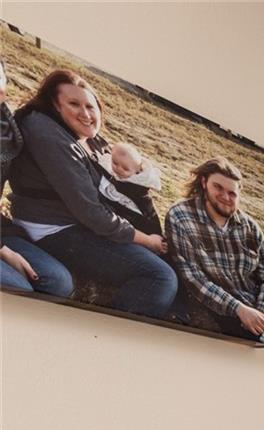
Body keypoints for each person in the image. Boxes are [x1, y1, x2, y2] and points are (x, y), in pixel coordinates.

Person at [6, 68, 175, 316]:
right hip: (53, 228)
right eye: (74, 104)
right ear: (54, 105)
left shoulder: (84, 136)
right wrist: (145, 239)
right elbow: (91, 212)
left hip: (78, 224)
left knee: (167, 265)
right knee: (160, 277)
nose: (85, 114)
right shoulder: (47, 133)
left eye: (90, 106)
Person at [165, 157, 264, 344]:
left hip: (258, 303)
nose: (225, 196)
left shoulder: (250, 227)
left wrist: (262, 311)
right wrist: (239, 309)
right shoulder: (180, 217)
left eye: (232, 193)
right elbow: (192, 277)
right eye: (218, 188)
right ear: (204, 182)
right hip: (223, 307)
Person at [0, 57, 73, 297]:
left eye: (1, 89)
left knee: (58, 281)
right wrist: (5, 252)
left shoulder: (7, 132)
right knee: (17, 289)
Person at [96, 142, 163, 236]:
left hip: (135, 212)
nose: (118, 168)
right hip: (119, 214)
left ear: (137, 171)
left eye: (125, 168)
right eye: (115, 163)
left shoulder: (139, 183)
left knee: (147, 225)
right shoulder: (109, 164)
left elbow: (146, 206)